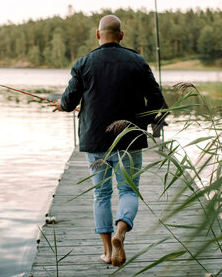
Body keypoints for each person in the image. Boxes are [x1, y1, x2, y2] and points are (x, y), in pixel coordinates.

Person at [51, 15, 165, 267]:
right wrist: (140, 122)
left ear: (98, 34)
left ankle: (106, 250)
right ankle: (120, 232)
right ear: (121, 35)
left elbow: (69, 103)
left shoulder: (84, 63)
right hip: (129, 140)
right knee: (128, 190)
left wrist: (61, 105)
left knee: (101, 195)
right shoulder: (137, 61)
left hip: (96, 142)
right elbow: (157, 100)